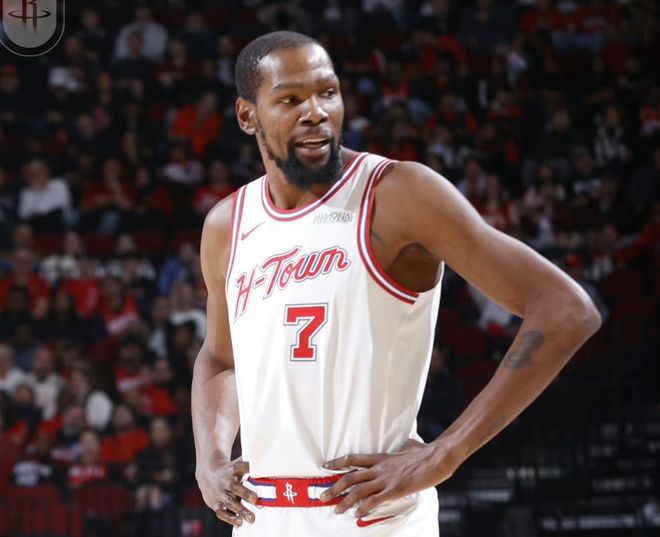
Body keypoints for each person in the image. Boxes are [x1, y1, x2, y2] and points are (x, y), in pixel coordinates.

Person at [191, 31, 601, 536]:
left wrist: (445, 453)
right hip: (264, 518)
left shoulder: (398, 194)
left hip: (373, 516)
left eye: (327, 92)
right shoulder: (228, 224)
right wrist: (210, 458)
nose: (316, 112)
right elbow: (221, 358)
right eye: (290, 99)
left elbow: (565, 309)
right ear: (247, 115)